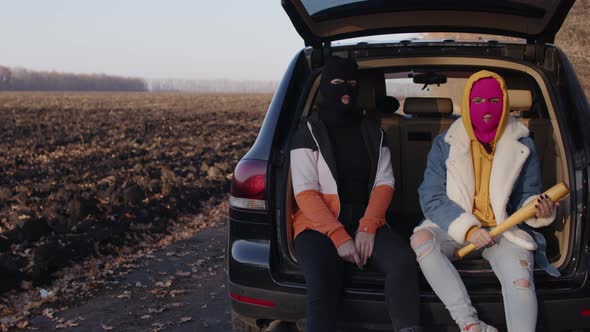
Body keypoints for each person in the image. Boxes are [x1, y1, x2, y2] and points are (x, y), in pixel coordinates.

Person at [410, 70, 560, 332]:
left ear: (504, 104)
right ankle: (470, 324)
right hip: (456, 225)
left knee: (522, 282)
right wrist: (469, 229)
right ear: (467, 104)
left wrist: (538, 209)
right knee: (421, 240)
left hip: (503, 228)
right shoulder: (445, 144)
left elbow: (527, 194)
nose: (486, 109)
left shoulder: (523, 143)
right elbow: (431, 197)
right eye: (478, 102)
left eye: (493, 101)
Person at [290, 56, 422, 332]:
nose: (345, 91)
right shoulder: (307, 133)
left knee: (403, 263)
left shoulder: (374, 131)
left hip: (366, 220)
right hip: (317, 225)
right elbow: (306, 194)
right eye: (338, 84)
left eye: (351, 84)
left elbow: (384, 184)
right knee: (323, 276)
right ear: (326, 88)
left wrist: (367, 226)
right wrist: (339, 236)